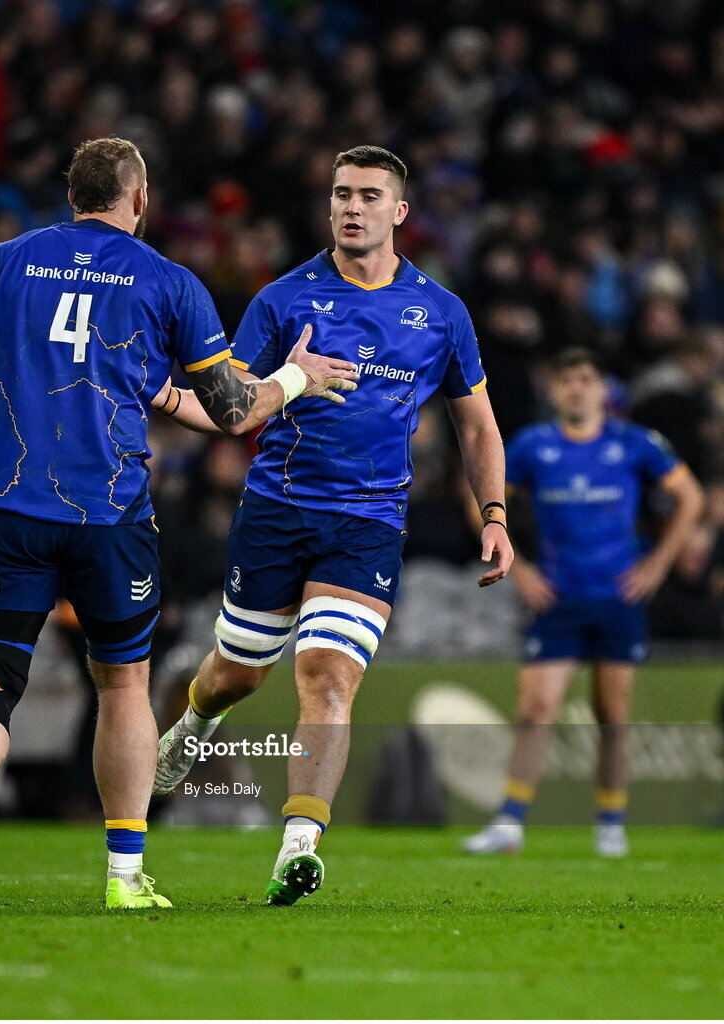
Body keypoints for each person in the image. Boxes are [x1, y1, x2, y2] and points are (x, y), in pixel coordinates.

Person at [0, 136, 357, 910]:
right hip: (111, 518)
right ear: (138, 199)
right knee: (124, 687)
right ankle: (122, 875)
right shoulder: (168, 281)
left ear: (72, 195)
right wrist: (297, 377)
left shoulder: (5, 262)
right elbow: (235, 412)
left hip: (10, 509)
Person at [149, 145, 513, 905]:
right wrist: (291, 381)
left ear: (399, 212)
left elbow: (477, 427)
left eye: (369, 195)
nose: (353, 207)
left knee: (327, 676)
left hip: (370, 521)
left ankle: (299, 844)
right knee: (237, 675)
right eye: (342, 194)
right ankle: (191, 726)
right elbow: (233, 405)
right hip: (277, 512)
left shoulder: (441, 312)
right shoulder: (283, 300)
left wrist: (495, 514)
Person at [464, 347, 704, 857]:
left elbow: (692, 499)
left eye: (586, 379)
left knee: (612, 714)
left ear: (602, 390)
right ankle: (509, 823)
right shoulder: (533, 446)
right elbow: (477, 497)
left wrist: (658, 566)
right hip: (557, 595)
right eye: (567, 380)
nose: (577, 388)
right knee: (535, 709)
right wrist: (521, 569)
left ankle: (611, 823)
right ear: (555, 391)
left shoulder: (634, 443)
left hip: (618, 596)